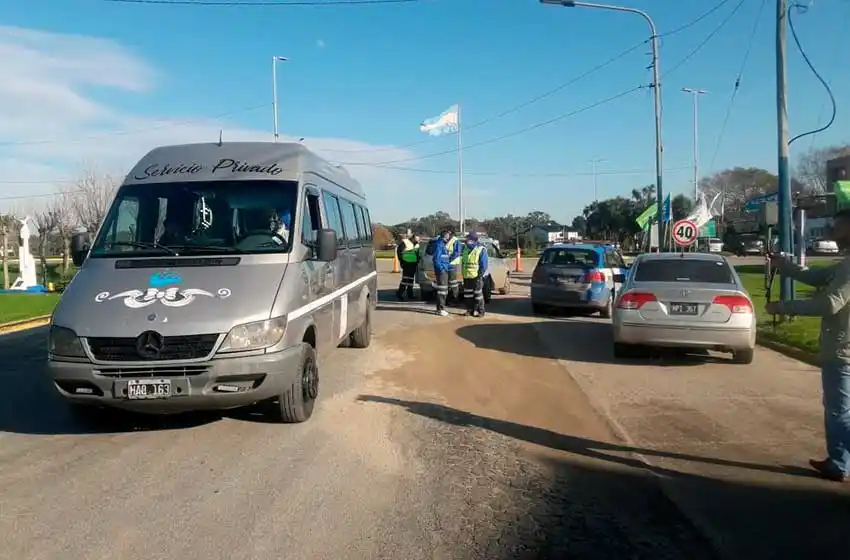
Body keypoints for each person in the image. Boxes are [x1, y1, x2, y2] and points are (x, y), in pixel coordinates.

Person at [766, 208, 850, 482]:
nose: (832, 232)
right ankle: (840, 461)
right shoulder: (844, 265)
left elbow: (829, 303)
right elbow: (817, 277)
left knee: (839, 411)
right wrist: (785, 265)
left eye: (837, 227)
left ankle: (839, 464)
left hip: (844, 351)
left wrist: (785, 307)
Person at [461, 232, 488, 317]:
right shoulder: (465, 249)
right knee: (468, 295)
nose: (467, 241)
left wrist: (480, 275)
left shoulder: (481, 249)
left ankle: (480, 311)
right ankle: (470, 310)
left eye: (468, 239)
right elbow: (463, 262)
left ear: (474, 240)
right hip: (466, 276)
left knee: (478, 295)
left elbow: (484, 264)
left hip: (476, 276)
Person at [431, 227, 455, 316]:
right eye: (448, 235)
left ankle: (441, 307)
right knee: (442, 290)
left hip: (445, 269)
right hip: (441, 271)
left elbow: (445, 258)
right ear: (444, 235)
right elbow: (436, 259)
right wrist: (441, 269)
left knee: (444, 290)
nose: (449, 237)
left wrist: (447, 267)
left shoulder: (443, 244)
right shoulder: (439, 244)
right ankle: (440, 309)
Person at [395, 231, 419, 301]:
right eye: (417, 238)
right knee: (405, 280)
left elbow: (417, 254)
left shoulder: (416, 244)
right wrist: (402, 262)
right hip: (407, 264)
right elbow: (399, 253)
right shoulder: (405, 243)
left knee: (411, 280)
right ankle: (399, 293)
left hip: (413, 264)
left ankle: (410, 294)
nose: (419, 239)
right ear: (414, 237)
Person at [445, 227, 462, 304]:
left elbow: (456, 253)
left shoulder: (456, 241)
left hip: (452, 264)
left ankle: (455, 298)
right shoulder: (444, 240)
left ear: (451, 233)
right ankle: (448, 299)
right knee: (447, 283)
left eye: (447, 233)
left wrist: (448, 259)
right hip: (445, 264)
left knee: (453, 282)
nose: (446, 234)